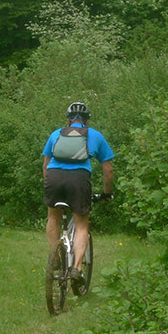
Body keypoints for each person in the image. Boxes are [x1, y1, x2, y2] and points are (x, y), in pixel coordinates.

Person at [42, 101, 114, 288]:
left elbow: (45, 165)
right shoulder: (95, 136)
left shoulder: (56, 134)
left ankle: (55, 257)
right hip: (79, 179)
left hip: (54, 177)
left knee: (53, 216)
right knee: (81, 224)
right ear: (87, 121)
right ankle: (76, 268)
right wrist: (107, 193)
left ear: (68, 120)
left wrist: (49, 183)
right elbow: (108, 169)